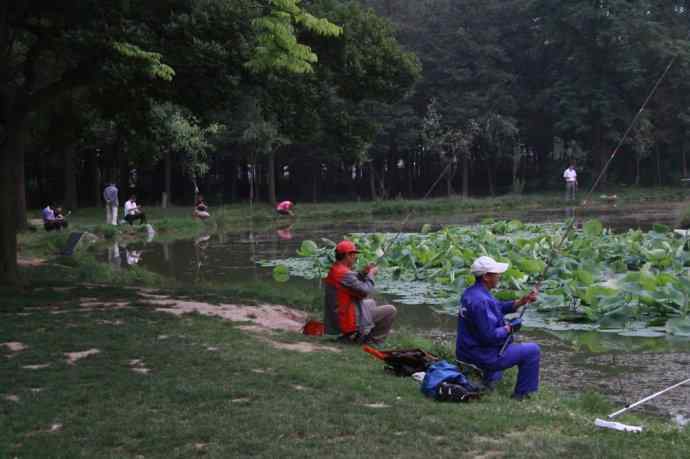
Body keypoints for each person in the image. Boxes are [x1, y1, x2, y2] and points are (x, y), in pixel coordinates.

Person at [456, 256, 540, 400]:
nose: (499, 276)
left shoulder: (471, 292)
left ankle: (486, 381)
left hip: (465, 352)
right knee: (532, 350)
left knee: (502, 358)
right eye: (496, 273)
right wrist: (510, 328)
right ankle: (522, 396)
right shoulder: (482, 300)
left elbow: (498, 307)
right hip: (481, 356)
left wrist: (522, 301)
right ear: (486, 277)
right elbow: (489, 336)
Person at [323, 240, 397, 344]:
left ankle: (359, 335)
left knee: (371, 302)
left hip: (338, 314)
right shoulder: (344, 273)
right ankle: (373, 341)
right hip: (346, 319)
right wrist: (371, 274)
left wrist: (363, 273)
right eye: (354, 254)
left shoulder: (336, 269)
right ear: (347, 255)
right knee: (390, 310)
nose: (355, 257)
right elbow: (365, 291)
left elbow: (350, 282)